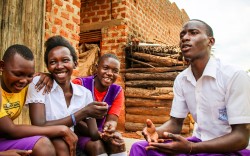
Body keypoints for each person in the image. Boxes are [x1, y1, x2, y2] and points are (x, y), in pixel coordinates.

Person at [129, 19, 250, 156]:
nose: (185, 38)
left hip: (228, 149)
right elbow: (175, 123)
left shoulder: (233, 76)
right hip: (197, 143)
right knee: (140, 148)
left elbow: (241, 137)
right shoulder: (182, 80)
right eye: (182, 35)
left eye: (193, 33)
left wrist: (192, 148)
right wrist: (156, 132)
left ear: (211, 41)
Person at [25, 35, 109, 156]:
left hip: (71, 142)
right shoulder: (39, 84)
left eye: (65, 60)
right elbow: (38, 125)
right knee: (61, 145)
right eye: (53, 62)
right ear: (48, 67)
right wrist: (83, 113)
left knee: (99, 146)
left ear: (75, 63)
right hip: (45, 143)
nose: (59, 66)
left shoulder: (84, 93)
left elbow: (93, 133)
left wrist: (105, 134)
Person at [0, 44, 78, 156]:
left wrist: (49, 76)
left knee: (43, 145)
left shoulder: (24, 86)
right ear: (2, 66)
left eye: (29, 75)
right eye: (17, 74)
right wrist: (62, 129)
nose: (23, 81)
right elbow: (10, 130)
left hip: (3, 139)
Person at [72, 53, 127, 156]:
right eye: (105, 68)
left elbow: (112, 120)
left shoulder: (117, 91)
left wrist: (108, 129)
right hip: (78, 133)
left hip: (100, 132)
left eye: (115, 71)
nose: (110, 73)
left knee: (118, 143)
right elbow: (73, 119)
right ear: (97, 67)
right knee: (97, 146)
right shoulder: (79, 84)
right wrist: (98, 134)